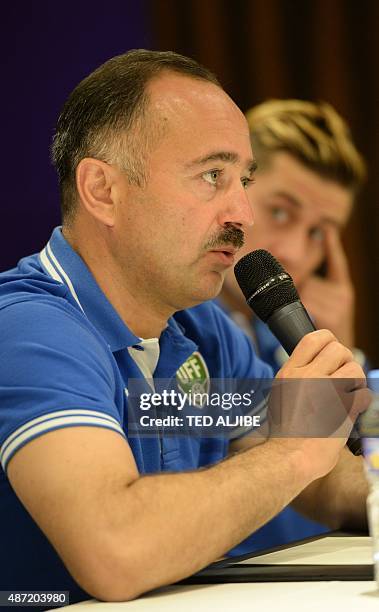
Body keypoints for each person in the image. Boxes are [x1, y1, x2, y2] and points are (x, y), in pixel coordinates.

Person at [0, 50, 369, 605]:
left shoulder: (197, 327)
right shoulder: (30, 330)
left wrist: (352, 480)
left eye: (243, 180)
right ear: (103, 190)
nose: (242, 213)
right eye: (211, 176)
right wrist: (294, 450)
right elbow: (115, 552)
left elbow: (307, 466)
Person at [219, 99, 368, 554]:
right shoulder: (183, 330)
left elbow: (355, 476)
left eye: (320, 233)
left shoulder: (282, 336)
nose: (297, 254)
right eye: (281, 212)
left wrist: (342, 354)